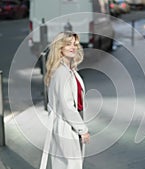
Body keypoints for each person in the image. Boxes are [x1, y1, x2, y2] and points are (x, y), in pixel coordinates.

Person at [44, 31, 90, 169]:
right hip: (66, 125)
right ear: (60, 48)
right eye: (68, 44)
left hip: (66, 124)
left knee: (64, 164)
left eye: (75, 44)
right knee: (71, 164)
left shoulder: (68, 69)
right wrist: (83, 130)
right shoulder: (62, 72)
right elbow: (67, 106)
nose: (73, 47)